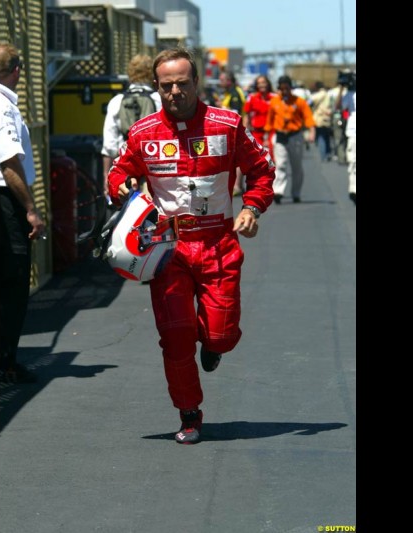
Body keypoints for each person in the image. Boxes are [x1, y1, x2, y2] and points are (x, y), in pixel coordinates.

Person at [106, 47, 275, 444]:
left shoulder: (227, 123)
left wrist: (252, 207)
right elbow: (118, 172)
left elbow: (262, 172)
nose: (175, 92)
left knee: (220, 334)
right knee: (176, 336)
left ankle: (215, 346)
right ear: (157, 87)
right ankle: (189, 413)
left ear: (197, 83)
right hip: (168, 251)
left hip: (218, 244)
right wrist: (123, 186)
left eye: (183, 83)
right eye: (166, 86)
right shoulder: (144, 132)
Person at [0, 42, 47, 384]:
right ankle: (6, 362)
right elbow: (9, 161)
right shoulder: (3, 107)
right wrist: (30, 208)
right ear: (16, 71)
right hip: (5, 202)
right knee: (13, 282)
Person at [101, 54, 162, 200]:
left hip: (126, 166)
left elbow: (109, 145)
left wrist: (107, 178)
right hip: (154, 166)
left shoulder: (117, 101)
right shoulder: (159, 99)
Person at [264, 74, 315, 204]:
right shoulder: (275, 102)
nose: (285, 91)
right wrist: (266, 136)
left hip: (295, 136)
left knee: (296, 166)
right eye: (282, 89)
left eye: (287, 88)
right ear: (279, 89)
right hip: (280, 136)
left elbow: (308, 117)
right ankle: (278, 191)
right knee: (280, 164)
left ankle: (296, 193)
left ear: (290, 88)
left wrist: (311, 131)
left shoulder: (299, 102)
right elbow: (269, 120)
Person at [217, 71, 247, 196]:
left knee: (238, 158)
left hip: (237, 129)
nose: (220, 82)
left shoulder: (236, 93)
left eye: (223, 80)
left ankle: (238, 186)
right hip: (229, 130)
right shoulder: (228, 93)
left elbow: (236, 113)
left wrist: (221, 108)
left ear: (229, 80)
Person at [243, 74, 278, 158]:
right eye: (259, 83)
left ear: (268, 84)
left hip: (271, 132)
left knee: (272, 156)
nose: (262, 85)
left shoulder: (275, 98)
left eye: (264, 82)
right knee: (257, 156)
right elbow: (246, 115)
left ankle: (273, 171)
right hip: (256, 132)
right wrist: (244, 132)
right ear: (257, 85)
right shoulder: (252, 97)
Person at [309, 81, 334, 162]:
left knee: (321, 137)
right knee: (327, 137)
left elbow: (309, 102)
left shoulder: (318, 95)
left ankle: (323, 156)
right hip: (328, 117)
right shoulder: (329, 94)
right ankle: (328, 153)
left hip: (319, 118)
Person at [342, 74, 356, 204]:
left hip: (352, 131)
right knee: (353, 162)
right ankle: (354, 189)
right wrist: (343, 88)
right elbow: (340, 107)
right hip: (353, 132)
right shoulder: (349, 94)